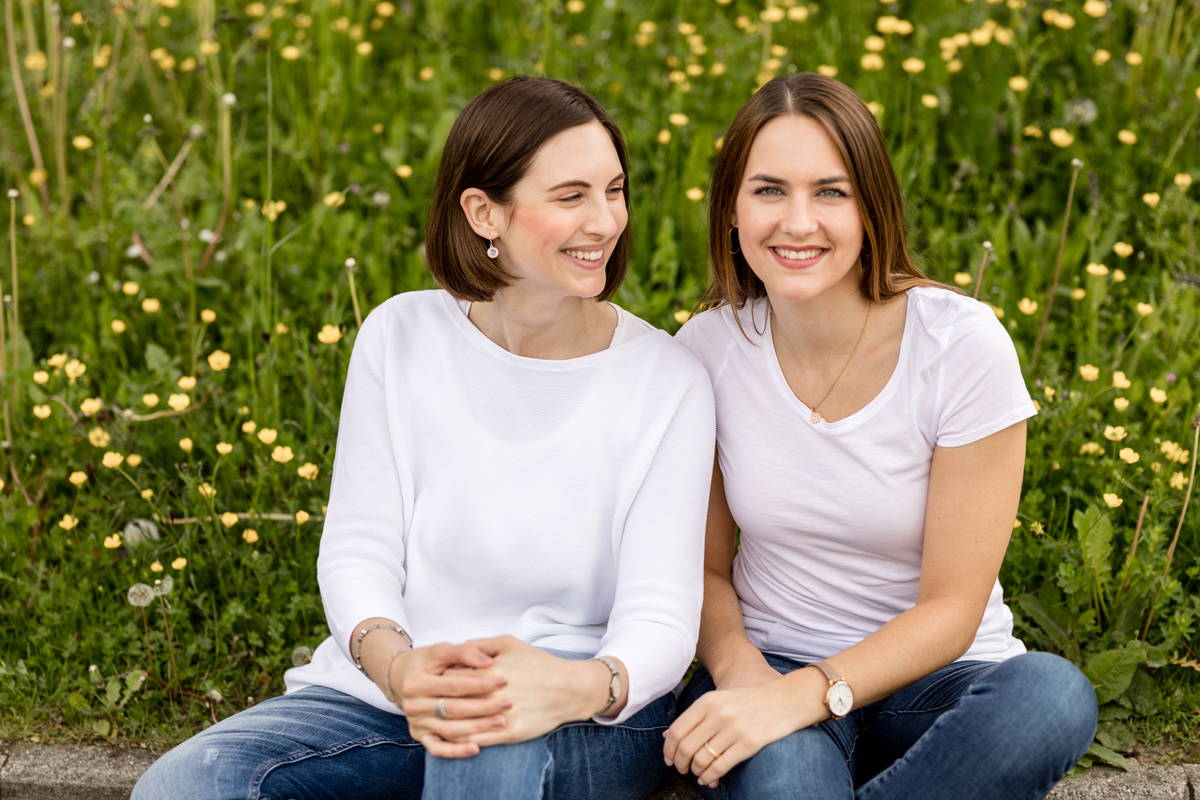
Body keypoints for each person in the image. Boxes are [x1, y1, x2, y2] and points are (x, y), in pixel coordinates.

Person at [133, 76, 715, 800]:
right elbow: (357, 549)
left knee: (481, 740)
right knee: (188, 785)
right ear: (483, 212)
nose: (605, 220)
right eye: (571, 197)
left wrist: (575, 686)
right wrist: (401, 668)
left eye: (615, 190)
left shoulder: (668, 380)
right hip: (387, 696)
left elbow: (661, 616)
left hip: (584, 712)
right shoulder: (399, 336)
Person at [662, 73, 1097, 800]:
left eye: (830, 192)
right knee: (785, 784)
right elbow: (703, 570)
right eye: (769, 190)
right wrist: (746, 682)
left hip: (934, 688)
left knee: (1053, 696)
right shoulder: (708, 350)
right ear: (731, 209)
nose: (798, 222)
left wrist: (811, 692)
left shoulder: (960, 346)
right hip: (771, 668)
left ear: (871, 208)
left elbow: (953, 608)